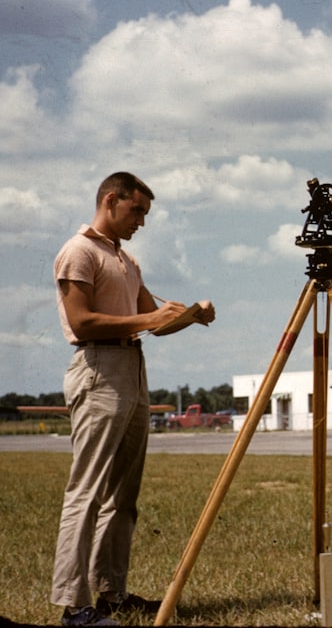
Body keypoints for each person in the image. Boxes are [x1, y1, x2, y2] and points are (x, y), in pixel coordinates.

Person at [50, 172, 215, 627]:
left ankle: (111, 593)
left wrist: (192, 316)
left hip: (132, 368)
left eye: (145, 213)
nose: (141, 220)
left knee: (124, 494)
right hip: (99, 368)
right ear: (110, 199)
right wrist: (149, 316)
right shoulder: (78, 251)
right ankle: (74, 605)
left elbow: (154, 324)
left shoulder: (126, 259)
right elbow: (81, 322)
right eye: (136, 210)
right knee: (86, 491)